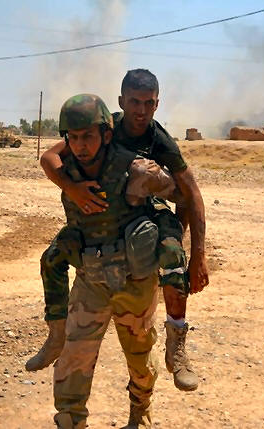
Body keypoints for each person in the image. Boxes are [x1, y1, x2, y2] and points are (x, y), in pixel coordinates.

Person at [27, 69, 208, 392]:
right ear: (122, 102)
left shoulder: (158, 139)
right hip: (108, 212)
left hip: (150, 203)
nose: (141, 111)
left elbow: (189, 192)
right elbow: (51, 156)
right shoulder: (100, 126)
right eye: (135, 102)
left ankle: (177, 344)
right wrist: (72, 188)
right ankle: (56, 335)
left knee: (172, 256)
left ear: (157, 104)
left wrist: (194, 253)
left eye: (149, 103)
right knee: (52, 258)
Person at [50, 94, 179, 428]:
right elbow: (48, 159)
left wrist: (167, 237)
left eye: (88, 136)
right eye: (73, 137)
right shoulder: (67, 170)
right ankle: (70, 420)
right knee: (73, 357)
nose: (80, 145)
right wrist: (71, 187)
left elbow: (180, 194)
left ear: (106, 135)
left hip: (135, 281)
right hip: (91, 279)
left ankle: (140, 410)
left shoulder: (137, 168)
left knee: (140, 359)